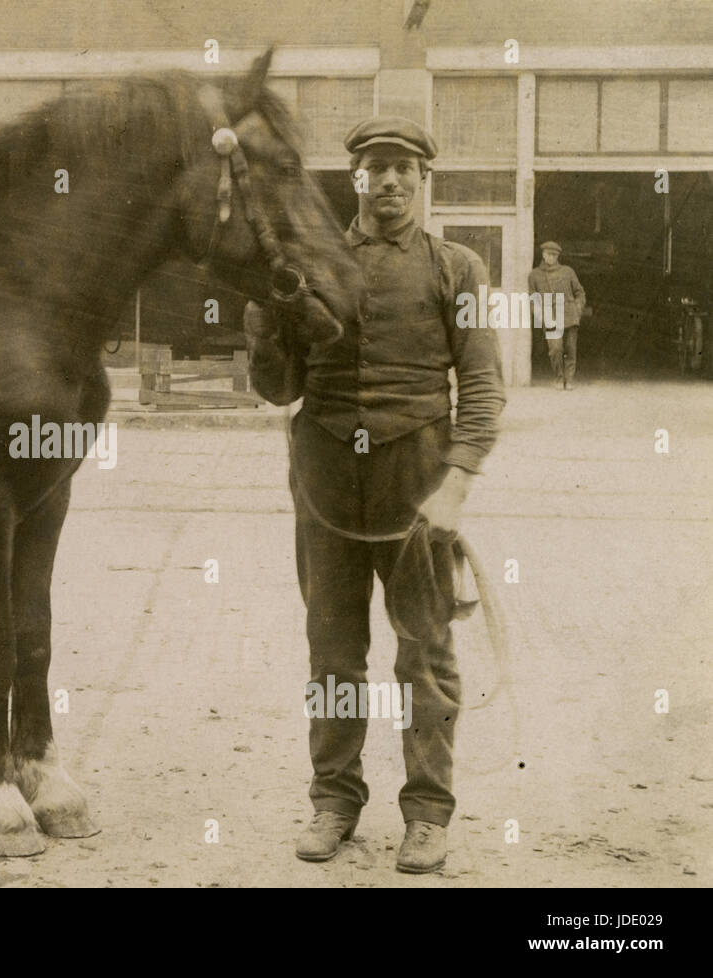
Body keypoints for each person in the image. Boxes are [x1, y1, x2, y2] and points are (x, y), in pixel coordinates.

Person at [244, 116, 506, 873]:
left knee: (424, 653)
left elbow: (483, 388)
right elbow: (278, 388)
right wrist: (265, 325)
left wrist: (455, 484)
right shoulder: (310, 265)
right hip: (325, 474)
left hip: (417, 475)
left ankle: (428, 813)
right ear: (355, 179)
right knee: (333, 651)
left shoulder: (457, 267)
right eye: (375, 168)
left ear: (424, 181)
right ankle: (334, 800)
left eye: (403, 169)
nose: (389, 181)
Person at [528, 241, 586, 389]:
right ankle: (559, 378)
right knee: (555, 349)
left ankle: (570, 380)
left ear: (558, 256)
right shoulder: (534, 275)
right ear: (543, 255)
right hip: (550, 316)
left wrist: (578, 308)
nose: (552, 258)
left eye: (555, 255)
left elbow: (579, 292)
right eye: (549, 254)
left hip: (569, 315)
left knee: (570, 348)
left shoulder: (568, 271)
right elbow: (533, 298)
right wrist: (540, 315)